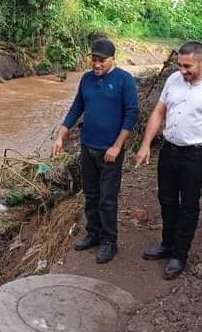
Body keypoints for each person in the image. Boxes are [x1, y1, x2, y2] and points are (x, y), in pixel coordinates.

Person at [136, 41, 202, 279]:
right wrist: (145, 144)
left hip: (196, 154)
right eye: (179, 65)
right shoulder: (173, 80)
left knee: (189, 205)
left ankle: (180, 255)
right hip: (169, 150)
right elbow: (159, 111)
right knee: (166, 198)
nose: (182, 71)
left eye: (188, 66)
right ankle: (167, 244)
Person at [52, 38, 139, 264]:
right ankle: (93, 233)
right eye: (94, 59)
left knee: (107, 199)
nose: (97, 64)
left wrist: (117, 146)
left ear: (113, 59)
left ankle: (109, 241)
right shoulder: (87, 79)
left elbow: (131, 115)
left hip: (111, 151)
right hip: (87, 147)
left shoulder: (124, 80)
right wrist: (61, 134)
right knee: (91, 194)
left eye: (102, 60)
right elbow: (76, 107)